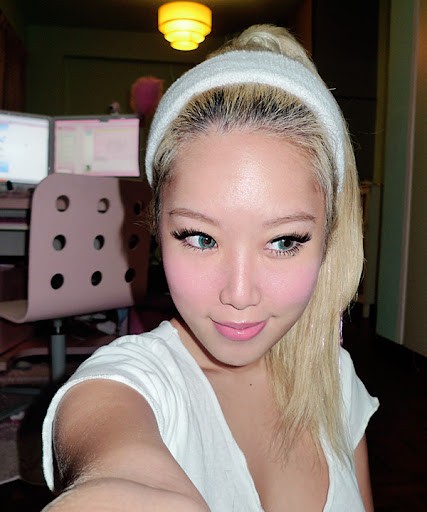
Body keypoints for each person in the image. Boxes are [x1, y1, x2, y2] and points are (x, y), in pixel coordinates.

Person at [42, 25, 378, 511]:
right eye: (201, 238)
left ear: (329, 237)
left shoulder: (337, 381)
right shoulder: (131, 384)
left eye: (284, 241)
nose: (239, 294)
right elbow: (117, 470)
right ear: (157, 227)